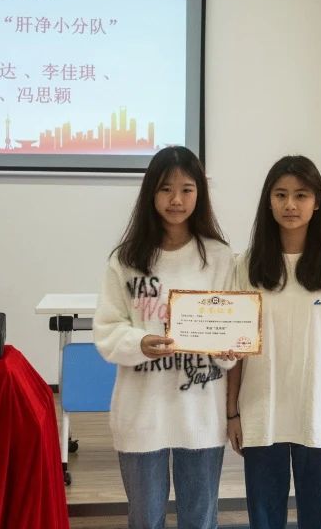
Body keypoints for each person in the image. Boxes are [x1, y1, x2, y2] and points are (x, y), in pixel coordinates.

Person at [226, 155, 321, 529]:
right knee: (264, 519)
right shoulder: (246, 266)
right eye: (280, 195)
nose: (290, 205)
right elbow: (236, 351)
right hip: (262, 412)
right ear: (268, 202)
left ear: (317, 202)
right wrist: (232, 413)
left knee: (318, 519)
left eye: (301, 195)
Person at [92, 146, 236, 529]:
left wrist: (227, 347)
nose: (176, 200)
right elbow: (106, 328)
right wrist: (139, 343)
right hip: (142, 411)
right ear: (150, 194)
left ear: (199, 193)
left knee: (200, 519)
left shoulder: (220, 257)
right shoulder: (125, 259)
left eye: (187, 189)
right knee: (145, 519)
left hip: (200, 412)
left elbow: (234, 333)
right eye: (165, 189)